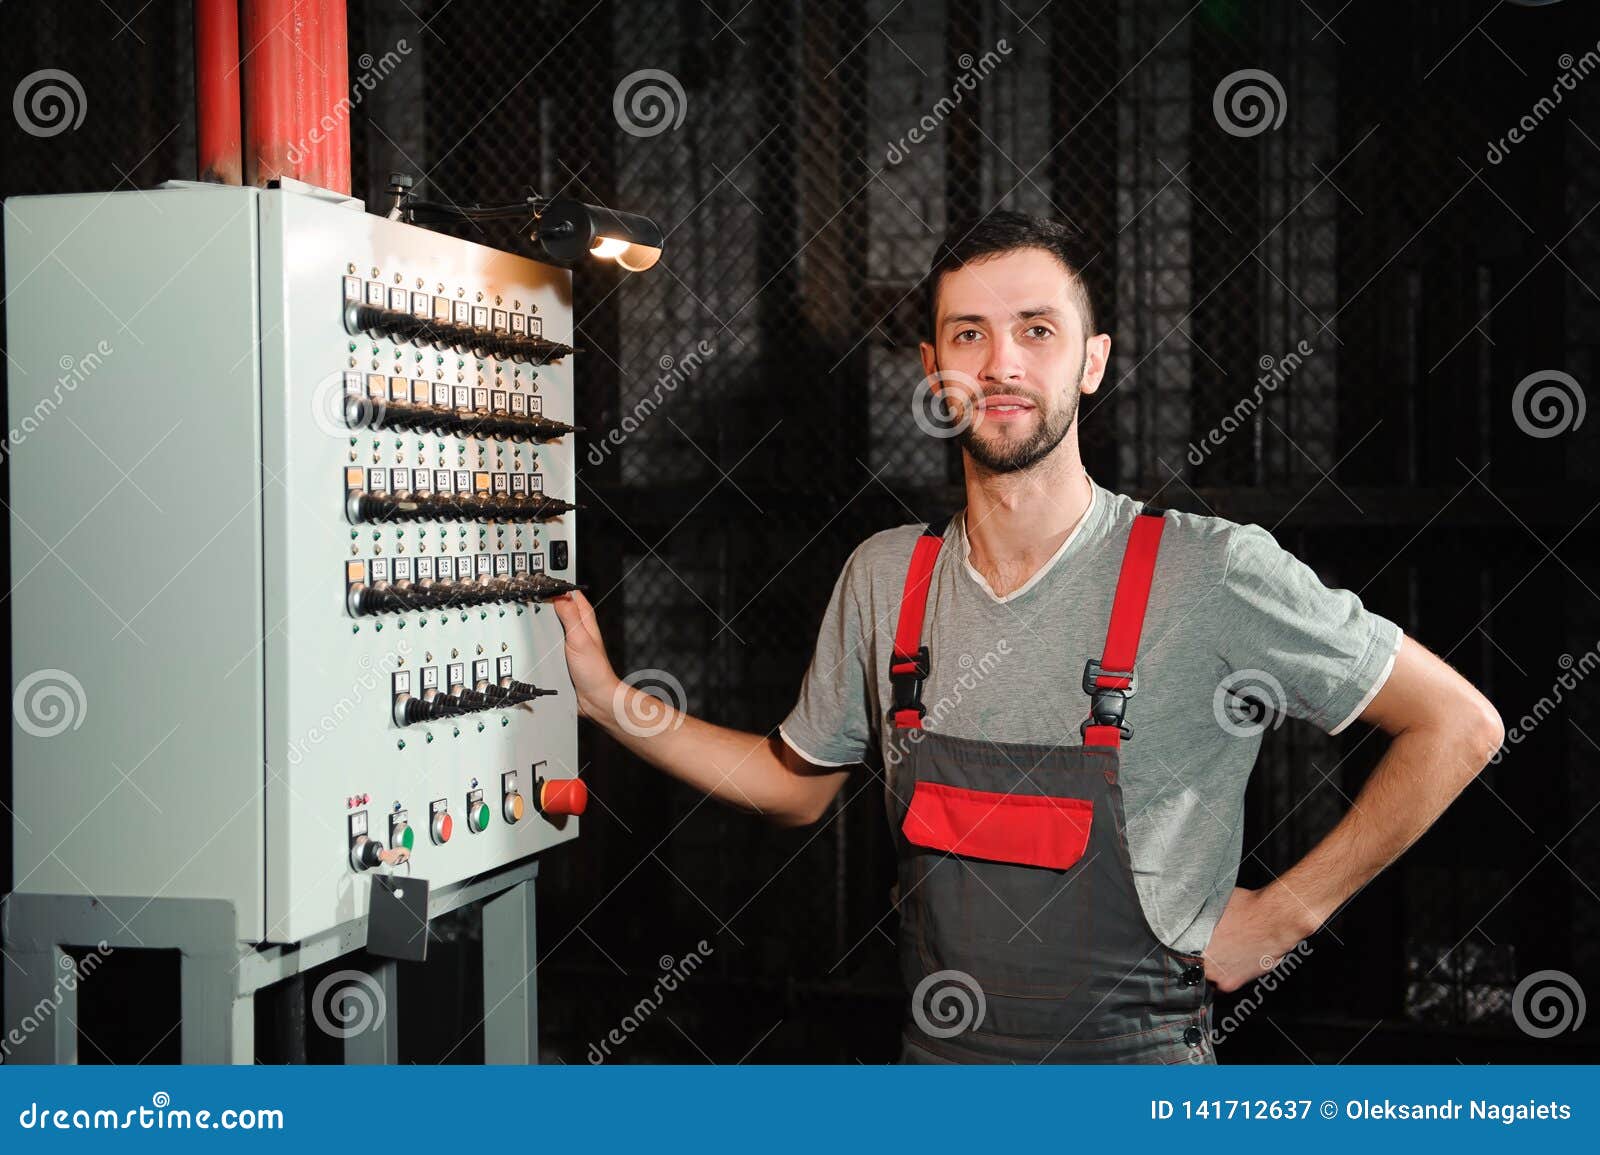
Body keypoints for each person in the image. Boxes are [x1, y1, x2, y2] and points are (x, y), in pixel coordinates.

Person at [551, 210, 1504, 1064]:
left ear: (1092, 361)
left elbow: (1459, 726)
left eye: (1037, 330)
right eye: (969, 333)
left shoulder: (1209, 571)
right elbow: (793, 787)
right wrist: (608, 699)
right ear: (933, 367)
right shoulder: (886, 578)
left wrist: (1286, 913)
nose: (1001, 364)